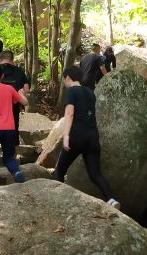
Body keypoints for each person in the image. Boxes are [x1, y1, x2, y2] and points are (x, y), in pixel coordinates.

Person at [52, 67, 120, 210]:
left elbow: (69, 113)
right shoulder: (90, 92)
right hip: (92, 136)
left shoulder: (71, 91)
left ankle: (58, 203)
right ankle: (111, 200)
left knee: (59, 170)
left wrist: (66, 136)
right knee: (95, 174)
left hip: (77, 135)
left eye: (64, 80)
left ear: (68, 77)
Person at [0, 50, 29, 134]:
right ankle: (12, 142)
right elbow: (26, 89)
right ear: (12, 60)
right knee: (13, 127)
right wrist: (21, 96)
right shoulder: (19, 71)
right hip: (13, 105)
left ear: (0, 60)